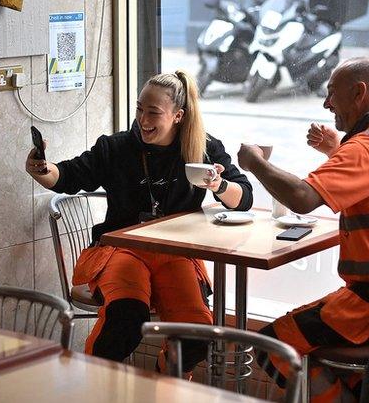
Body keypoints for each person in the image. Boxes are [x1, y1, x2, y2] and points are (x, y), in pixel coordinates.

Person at [25, 69, 254, 369]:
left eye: (153, 112)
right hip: (121, 249)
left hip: (176, 253)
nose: (143, 120)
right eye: (139, 109)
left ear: (178, 116)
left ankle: (161, 388)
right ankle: (91, 390)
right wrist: (42, 169)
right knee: (125, 320)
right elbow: (69, 175)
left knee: (196, 335)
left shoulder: (204, 148)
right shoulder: (116, 147)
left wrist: (218, 185)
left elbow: (245, 198)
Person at [237, 58, 369, 402]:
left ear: (358, 93)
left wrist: (256, 163)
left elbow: (301, 198)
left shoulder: (367, 149)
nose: (327, 104)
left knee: (272, 347)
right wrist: (336, 150)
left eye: (332, 94)